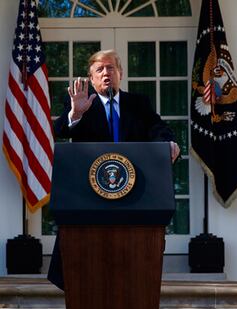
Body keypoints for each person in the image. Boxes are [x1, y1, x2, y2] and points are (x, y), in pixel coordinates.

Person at [48, 49, 180, 290]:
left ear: (120, 73)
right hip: (89, 197)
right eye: (99, 69)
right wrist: (76, 113)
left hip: (132, 197)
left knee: (129, 276)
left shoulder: (138, 103)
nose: (106, 73)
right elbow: (61, 129)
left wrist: (167, 143)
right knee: (85, 274)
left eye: (110, 68)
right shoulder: (82, 103)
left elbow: (158, 128)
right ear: (91, 78)